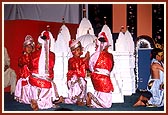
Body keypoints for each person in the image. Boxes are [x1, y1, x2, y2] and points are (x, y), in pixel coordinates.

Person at [28, 30, 59, 111]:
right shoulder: (52, 55)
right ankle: (40, 103)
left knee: (34, 82)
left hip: (34, 79)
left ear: (38, 44)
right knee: (49, 85)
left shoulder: (33, 54)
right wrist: (50, 78)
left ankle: (35, 99)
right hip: (45, 82)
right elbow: (51, 70)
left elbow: (30, 67)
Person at [53, 39, 90, 106]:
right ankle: (79, 100)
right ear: (73, 51)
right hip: (73, 79)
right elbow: (75, 65)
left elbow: (87, 67)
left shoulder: (81, 59)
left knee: (82, 81)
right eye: (77, 50)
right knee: (81, 81)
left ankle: (66, 99)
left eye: (79, 50)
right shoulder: (71, 60)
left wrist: (87, 59)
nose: (79, 52)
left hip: (80, 78)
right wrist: (85, 58)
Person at [86, 32, 114, 108]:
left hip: (96, 77)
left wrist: (96, 72)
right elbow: (111, 67)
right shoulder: (110, 55)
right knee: (107, 104)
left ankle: (93, 101)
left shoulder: (95, 55)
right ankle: (91, 97)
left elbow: (90, 66)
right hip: (104, 77)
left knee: (101, 93)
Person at [14, 35, 35, 104]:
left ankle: (32, 98)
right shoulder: (22, 57)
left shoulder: (33, 57)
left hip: (32, 76)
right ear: (24, 48)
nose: (29, 48)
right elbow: (22, 63)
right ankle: (25, 98)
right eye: (27, 47)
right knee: (25, 86)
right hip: (25, 76)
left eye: (30, 47)